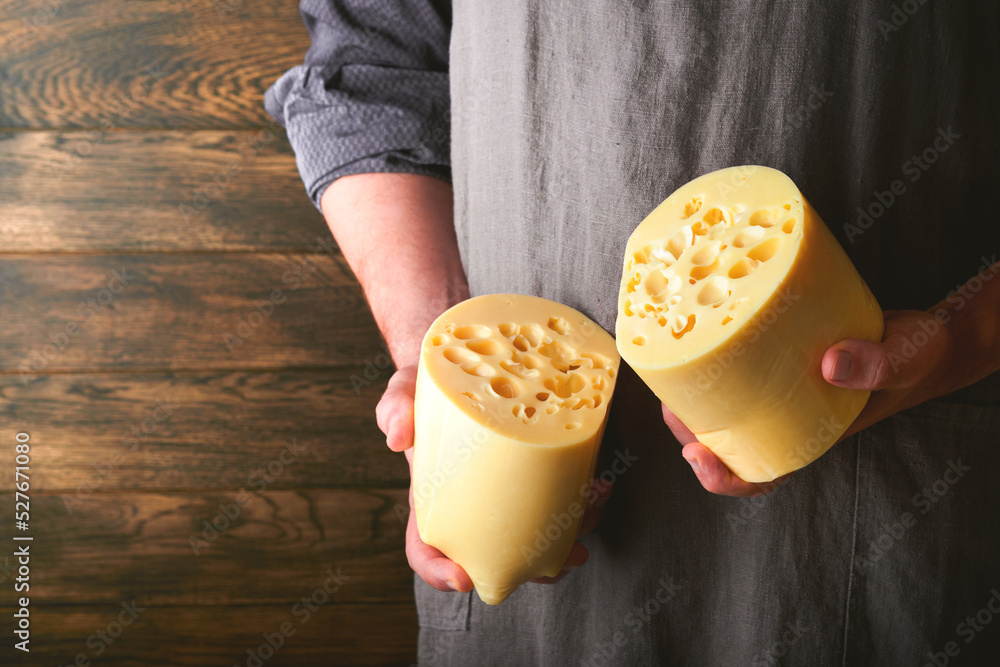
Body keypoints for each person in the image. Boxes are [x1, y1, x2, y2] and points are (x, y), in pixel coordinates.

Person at [266, 1, 1000, 663]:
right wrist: (444, 384)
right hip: (547, 583)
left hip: (884, 525)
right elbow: (373, 74)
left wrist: (967, 337)